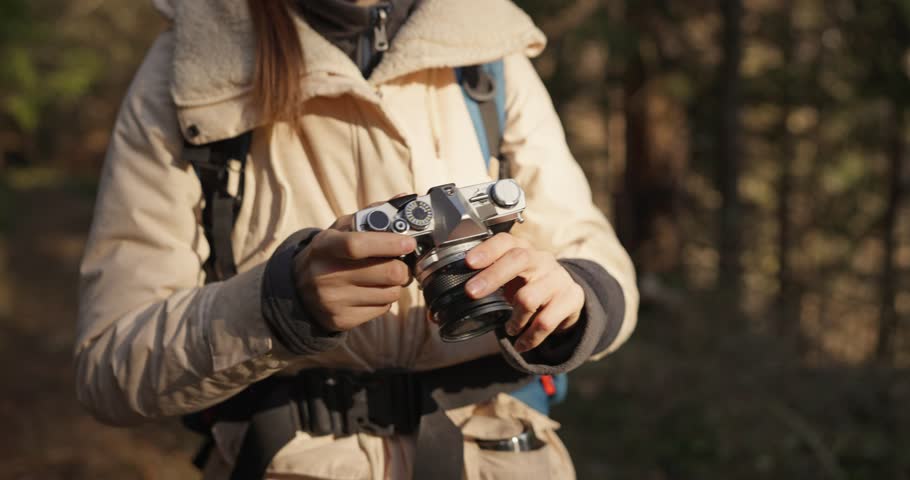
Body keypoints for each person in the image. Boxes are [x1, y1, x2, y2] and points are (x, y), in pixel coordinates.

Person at [74, 0, 639, 478]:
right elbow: (110, 368)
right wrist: (280, 308)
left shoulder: (486, 42)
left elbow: (596, 259)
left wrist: (570, 297)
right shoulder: (193, 62)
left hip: (503, 456)